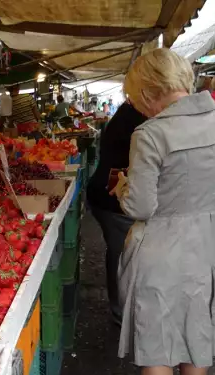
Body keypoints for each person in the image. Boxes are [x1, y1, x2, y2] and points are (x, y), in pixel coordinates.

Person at [110, 48, 215, 375]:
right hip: (208, 241)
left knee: (158, 338)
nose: (138, 107)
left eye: (138, 98)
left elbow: (141, 206)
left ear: (152, 91)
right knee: (198, 325)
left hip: (162, 246)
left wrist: (123, 189)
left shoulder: (152, 134)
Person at [87, 101, 146, 326]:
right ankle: (121, 311)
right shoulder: (139, 121)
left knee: (121, 252)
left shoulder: (127, 113)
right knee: (123, 254)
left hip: (107, 194)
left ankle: (122, 308)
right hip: (113, 199)